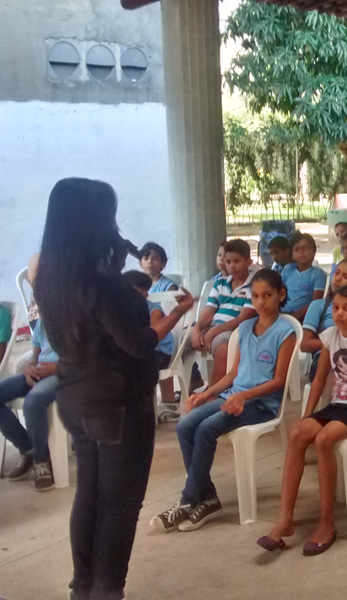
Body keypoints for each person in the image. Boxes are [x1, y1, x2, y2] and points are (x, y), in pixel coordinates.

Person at [34, 178, 194, 600]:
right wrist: (145, 300)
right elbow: (139, 343)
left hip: (75, 395)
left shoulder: (50, 274)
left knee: (89, 495)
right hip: (117, 403)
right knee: (118, 505)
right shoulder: (105, 282)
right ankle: (107, 590)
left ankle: (82, 587)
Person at [152, 270, 296, 533]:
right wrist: (205, 394)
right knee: (185, 425)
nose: (261, 302)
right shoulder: (243, 328)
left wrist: (244, 395)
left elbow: (278, 381)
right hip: (233, 396)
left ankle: (188, 500)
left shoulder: (285, 331)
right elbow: (232, 374)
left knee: (208, 428)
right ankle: (206, 497)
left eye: (267, 295)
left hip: (261, 404)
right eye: (255, 296)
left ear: (281, 295)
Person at [258, 283, 347, 554]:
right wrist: (307, 414)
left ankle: (327, 522)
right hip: (337, 405)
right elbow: (320, 378)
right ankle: (285, 519)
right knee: (297, 433)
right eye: (336, 308)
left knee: (324, 439)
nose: (339, 314)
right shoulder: (330, 335)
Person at [0, 316, 60, 491]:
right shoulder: (42, 321)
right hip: (39, 371)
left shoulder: (76, 316)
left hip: (64, 374)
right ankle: (28, 450)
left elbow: (88, 360)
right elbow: (35, 356)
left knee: (33, 402)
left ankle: (41, 460)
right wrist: (28, 368)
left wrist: (56, 368)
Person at [188, 239, 257, 386]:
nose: (232, 266)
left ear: (248, 261)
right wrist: (197, 328)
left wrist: (213, 332)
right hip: (212, 326)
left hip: (234, 330)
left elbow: (243, 318)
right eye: (228, 261)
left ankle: (213, 393)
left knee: (223, 347)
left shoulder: (254, 285)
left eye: (237, 261)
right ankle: (190, 383)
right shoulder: (220, 283)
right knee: (176, 340)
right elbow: (209, 310)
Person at [124, 270, 177, 407]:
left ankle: (142, 407)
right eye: (138, 290)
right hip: (141, 350)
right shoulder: (123, 309)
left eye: (145, 291)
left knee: (132, 367)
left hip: (160, 352)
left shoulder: (155, 310)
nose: (143, 294)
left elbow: (150, 338)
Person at [282, 233, 327, 322]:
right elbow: (279, 292)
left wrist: (294, 316)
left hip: (304, 316)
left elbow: (315, 302)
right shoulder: (288, 269)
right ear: (292, 255)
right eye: (297, 249)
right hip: (282, 313)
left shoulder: (318, 274)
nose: (301, 252)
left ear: (314, 251)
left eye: (306, 248)